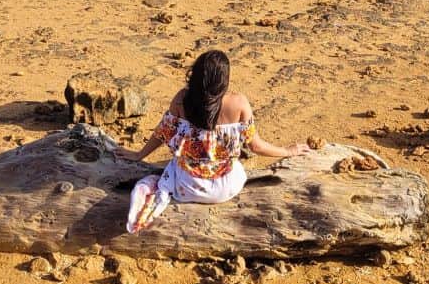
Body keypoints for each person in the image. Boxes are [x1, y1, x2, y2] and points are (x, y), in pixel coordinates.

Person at [118, 48, 310, 234]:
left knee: (173, 166)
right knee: (236, 166)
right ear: (223, 80)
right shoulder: (239, 103)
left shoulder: (182, 99)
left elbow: (163, 133)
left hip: (187, 187)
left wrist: (139, 155)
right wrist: (288, 151)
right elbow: (255, 146)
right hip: (226, 188)